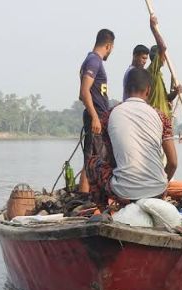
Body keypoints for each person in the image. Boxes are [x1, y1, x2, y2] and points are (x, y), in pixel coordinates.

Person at [85, 67, 177, 205]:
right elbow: (173, 163)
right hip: (158, 192)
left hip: (123, 192)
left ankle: (102, 210)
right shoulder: (161, 117)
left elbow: (111, 158)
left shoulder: (109, 115)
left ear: (125, 89)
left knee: (92, 163)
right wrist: (160, 185)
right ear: (148, 90)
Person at [78, 29, 115, 193]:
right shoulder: (94, 61)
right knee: (92, 160)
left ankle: (89, 195)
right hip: (96, 118)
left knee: (95, 158)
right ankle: (85, 197)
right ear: (108, 45)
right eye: (112, 48)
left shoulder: (93, 61)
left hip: (100, 117)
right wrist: (94, 117)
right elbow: (84, 92)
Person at [147, 15, 182, 119]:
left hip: (165, 118)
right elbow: (163, 47)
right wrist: (153, 28)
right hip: (156, 118)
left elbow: (166, 98)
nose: (165, 59)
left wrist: (176, 92)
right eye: (163, 56)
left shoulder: (158, 74)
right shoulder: (151, 71)